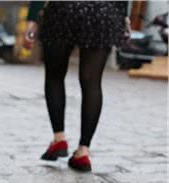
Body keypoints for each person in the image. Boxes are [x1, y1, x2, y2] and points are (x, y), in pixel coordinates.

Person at [25, 1, 130, 172]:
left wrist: (32, 19)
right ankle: (83, 151)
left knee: (54, 76)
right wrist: (123, 14)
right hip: (103, 11)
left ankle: (59, 139)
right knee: (92, 82)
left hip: (64, 9)